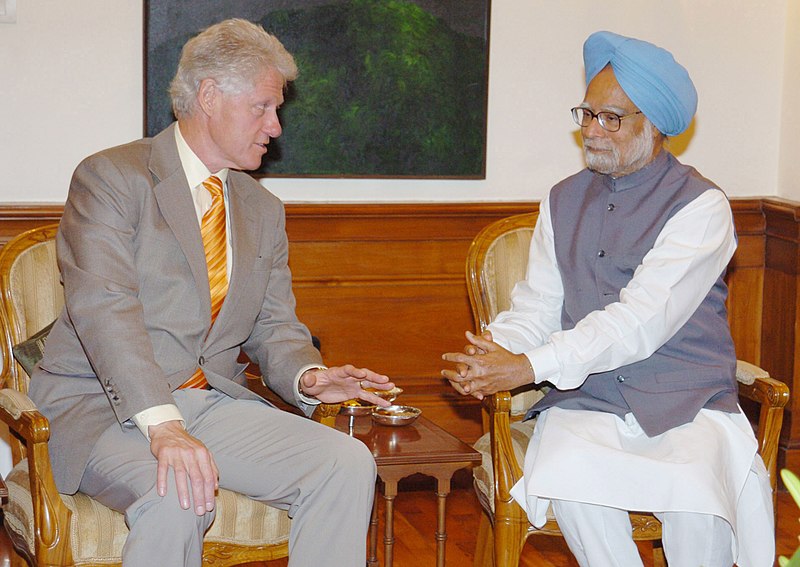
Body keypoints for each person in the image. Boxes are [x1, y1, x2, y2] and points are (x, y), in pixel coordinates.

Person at [28, 18, 393, 567]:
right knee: (178, 496)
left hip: (209, 403)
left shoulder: (262, 210)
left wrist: (309, 375)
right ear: (208, 94)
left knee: (346, 462)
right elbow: (105, 310)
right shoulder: (112, 178)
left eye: (278, 111)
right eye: (264, 108)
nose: (275, 127)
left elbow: (275, 326)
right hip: (101, 407)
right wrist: (165, 426)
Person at [442, 30, 773, 566]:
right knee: (571, 482)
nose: (593, 131)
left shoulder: (703, 207)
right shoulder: (561, 199)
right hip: (588, 399)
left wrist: (528, 366)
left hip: (685, 400)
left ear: (655, 125)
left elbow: (641, 319)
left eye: (611, 118)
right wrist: (492, 355)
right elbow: (538, 309)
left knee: (697, 503)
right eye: (588, 114)